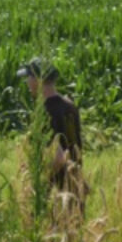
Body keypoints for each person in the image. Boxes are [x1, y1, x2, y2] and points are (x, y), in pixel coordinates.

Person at [17, 58, 88, 212]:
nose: (27, 82)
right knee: (74, 235)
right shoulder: (69, 105)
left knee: (53, 235)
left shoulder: (44, 112)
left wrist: (40, 184)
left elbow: (58, 158)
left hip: (56, 197)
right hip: (75, 189)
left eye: (29, 77)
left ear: (38, 80)